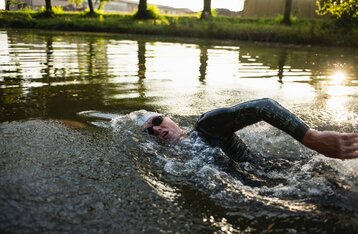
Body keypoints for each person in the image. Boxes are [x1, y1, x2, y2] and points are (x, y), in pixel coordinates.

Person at [141, 98, 358, 161]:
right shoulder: (170, 162)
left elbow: (262, 107)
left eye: (158, 120)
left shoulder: (206, 127)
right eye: (150, 131)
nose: (158, 129)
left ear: (170, 118)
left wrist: (311, 137)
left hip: (272, 175)